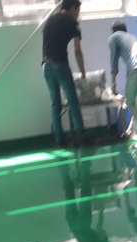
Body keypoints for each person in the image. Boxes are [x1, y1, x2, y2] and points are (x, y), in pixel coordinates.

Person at [42, 0, 88, 147]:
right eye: (78, 11)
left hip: (45, 66)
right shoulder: (72, 23)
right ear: (73, 8)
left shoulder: (50, 20)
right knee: (73, 102)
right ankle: (82, 137)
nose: (78, 14)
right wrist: (83, 74)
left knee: (55, 103)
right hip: (60, 65)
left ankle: (60, 140)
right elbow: (77, 50)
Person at [108, 21, 137, 142]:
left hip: (135, 69)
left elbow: (113, 60)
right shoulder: (133, 37)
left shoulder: (114, 37)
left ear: (113, 31)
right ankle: (134, 129)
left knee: (130, 102)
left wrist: (113, 84)